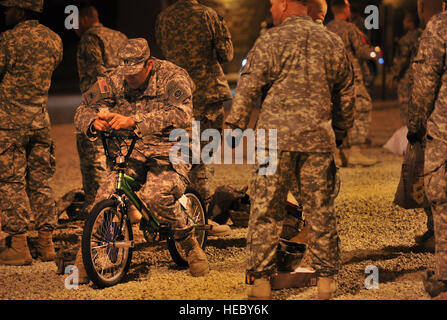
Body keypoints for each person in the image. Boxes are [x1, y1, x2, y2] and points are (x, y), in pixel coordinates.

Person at [225, 0, 354, 300]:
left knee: (266, 209)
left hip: (272, 141)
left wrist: (234, 128)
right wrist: (338, 134)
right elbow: (346, 94)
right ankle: (326, 283)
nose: (270, 9)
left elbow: (248, 87)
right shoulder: (331, 41)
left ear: (285, 4)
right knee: (321, 211)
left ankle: (261, 284)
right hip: (317, 140)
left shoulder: (270, 39)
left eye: (272, 3)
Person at [74, 38, 209, 283]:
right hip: (134, 149)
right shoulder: (112, 79)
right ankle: (85, 259)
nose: (129, 79)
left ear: (148, 64)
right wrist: (94, 122)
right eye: (126, 72)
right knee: (104, 195)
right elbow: (82, 109)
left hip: (173, 146)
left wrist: (134, 120)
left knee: (156, 196)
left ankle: (189, 245)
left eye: (134, 73)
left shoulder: (172, 76)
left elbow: (183, 114)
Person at [155, 0, 233, 237]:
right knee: (202, 158)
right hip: (206, 95)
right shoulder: (208, 16)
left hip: (176, 97)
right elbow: (226, 54)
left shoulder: (163, 18)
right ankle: (203, 219)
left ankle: (183, 214)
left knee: (182, 158)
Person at [0, 0, 63, 266]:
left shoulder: (8, 40)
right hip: (41, 122)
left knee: (12, 183)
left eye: (8, 8)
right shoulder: (54, 40)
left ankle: (19, 246)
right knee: (41, 182)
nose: (4, 12)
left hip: (10, 124)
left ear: (21, 11)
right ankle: (46, 245)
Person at [408, 3, 447, 299]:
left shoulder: (439, 26)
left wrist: (416, 126)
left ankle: (444, 275)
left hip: (444, 132)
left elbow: (424, 83)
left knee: (443, 200)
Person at [74, 4, 128, 218]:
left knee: (93, 158)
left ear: (86, 19)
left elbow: (99, 75)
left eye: (75, 21)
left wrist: (100, 104)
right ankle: (128, 209)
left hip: (98, 106)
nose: (74, 27)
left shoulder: (89, 39)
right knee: (118, 158)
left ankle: (97, 211)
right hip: (121, 106)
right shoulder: (120, 36)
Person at [327, 0, 377, 167]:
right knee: (362, 108)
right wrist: (373, 53)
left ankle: (336, 153)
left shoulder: (325, 30)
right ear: (346, 9)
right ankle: (355, 151)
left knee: (333, 113)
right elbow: (362, 51)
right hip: (351, 77)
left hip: (331, 79)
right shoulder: (351, 29)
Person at [389, 10, 422, 127]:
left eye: (405, 20)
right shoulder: (425, 35)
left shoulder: (405, 39)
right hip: (422, 78)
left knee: (405, 109)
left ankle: (407, 136)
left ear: (409, 22)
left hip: (406, 79)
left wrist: (393, 76)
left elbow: (401, 61)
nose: (403, 23)